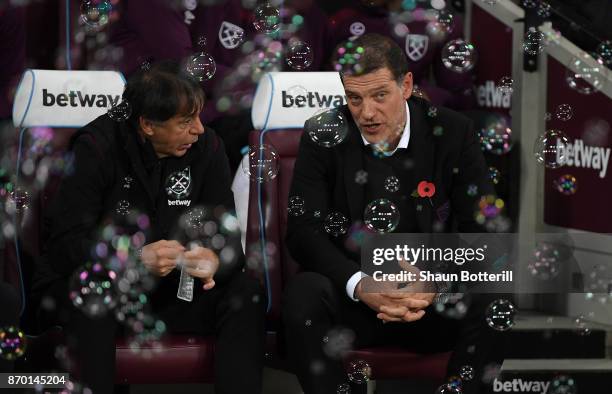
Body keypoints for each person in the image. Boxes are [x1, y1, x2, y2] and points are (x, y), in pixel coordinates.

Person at [282, 33, 505, 394]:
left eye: (379, 95)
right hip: (356, 300)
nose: (367, 113)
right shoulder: (323, 133)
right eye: (354, 98)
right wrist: (361, 285)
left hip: (432, 302)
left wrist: (434, 283)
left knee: (496, 292)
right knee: (305, 293)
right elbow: (303, 232)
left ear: (406, 86)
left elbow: (483, 232)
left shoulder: (452, 132)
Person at [31, 60, 265, 394]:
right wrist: (134, 257)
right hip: (95, 290)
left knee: (245, 292)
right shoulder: (96, 147)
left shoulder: (207, 146)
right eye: (185, 122)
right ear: (148, 125)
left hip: (170, 291)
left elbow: (225, 234)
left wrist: (215, 259)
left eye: (198, 117)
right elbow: (65, 247)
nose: (199, 129)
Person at [329, 0, 475, 110]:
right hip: (353, 118)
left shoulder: (437, 20)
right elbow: (319, 84)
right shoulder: (340, 18)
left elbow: (460, 95)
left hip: (413, 123)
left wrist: (426, 96)